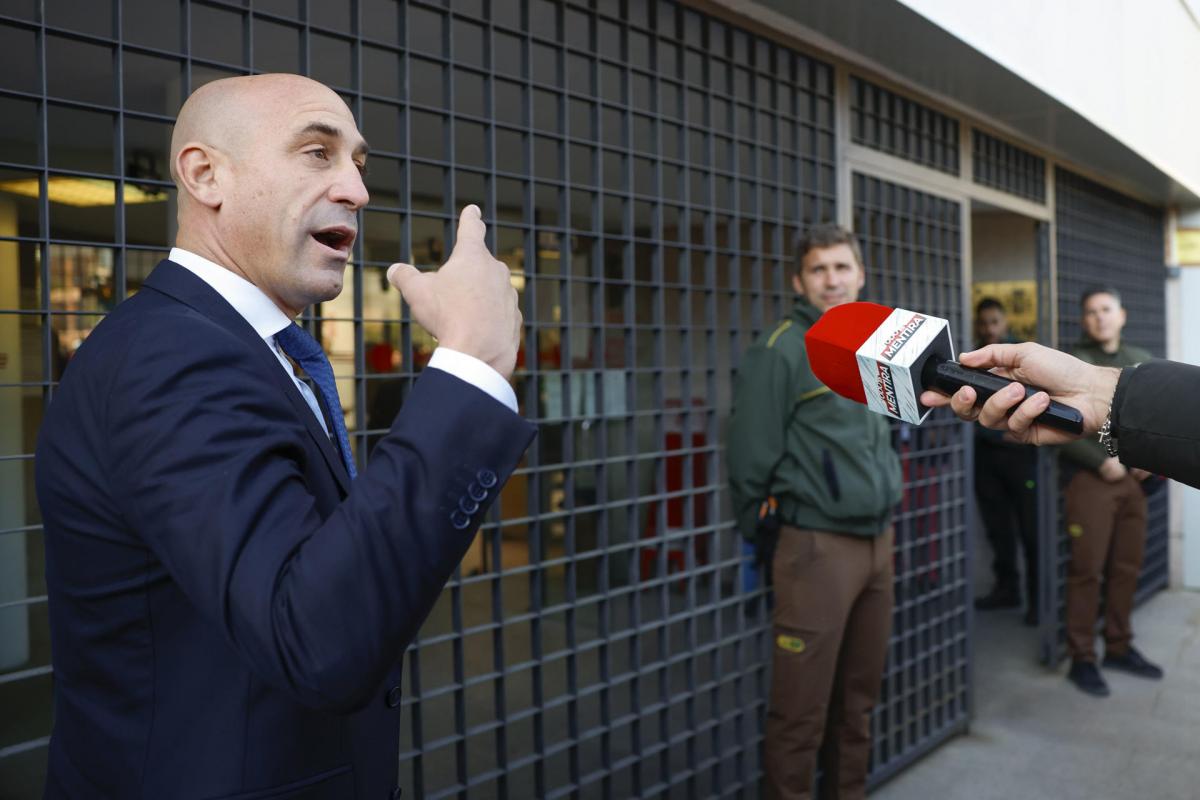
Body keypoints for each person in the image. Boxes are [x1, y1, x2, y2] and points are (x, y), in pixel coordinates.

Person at [34, 74, 537, 799]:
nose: (358, 189)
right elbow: (319, 639)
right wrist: (471, 365)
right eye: (316, 152)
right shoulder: (171, 357)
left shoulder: (238, 347)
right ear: (205, 175)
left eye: (358, 162)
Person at [727, 224, 901, 800]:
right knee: (800, 713)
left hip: (878, 543)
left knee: (859, 701)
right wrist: (779, 543)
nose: (832, 279)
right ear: (799, 280)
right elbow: (750, 461)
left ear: (861, 274)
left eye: (842, 267)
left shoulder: (871, 347)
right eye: (819, 269)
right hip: (817, 548)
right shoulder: (780, 350)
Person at [1048, 288, 1162, 695]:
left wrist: (1153, 457)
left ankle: (1118, 645)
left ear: (1122, 314)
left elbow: (1157, 416)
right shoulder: (1070, 364)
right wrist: (1099, 461)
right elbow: (1056, 424)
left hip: (1134, 483)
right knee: (1087, 571)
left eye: (1106, 310)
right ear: (1083, 321)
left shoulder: (1143, 361)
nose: (1100, 318)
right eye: (1091, 312)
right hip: (1091, 480)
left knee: (1127, 567)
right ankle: (1082, 657)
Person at [970, 298, 1040, 624]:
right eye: (983, 323)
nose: (988, 329)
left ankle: (1039, 602)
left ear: (1005, 322)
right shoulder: (972, 359)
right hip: (986, 458)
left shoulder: (1019, 358)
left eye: (994, 321)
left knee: (1030, 531)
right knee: (998, 529)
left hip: (1020, 458)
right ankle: (1006, 590)